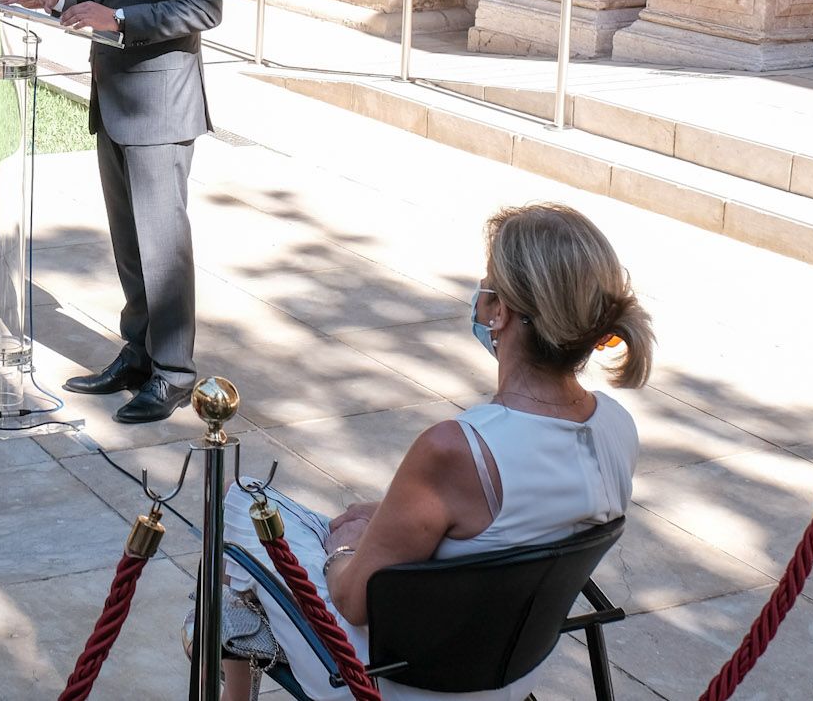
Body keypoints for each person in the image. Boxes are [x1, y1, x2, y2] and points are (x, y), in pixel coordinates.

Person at [218, 203, 654, 701]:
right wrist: (391, 517)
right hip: (513, 671)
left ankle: (230, 665)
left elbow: (351, 600)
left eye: (488, 286)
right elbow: (509, 523)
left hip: (393, 681)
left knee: (241, 498)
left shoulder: (458, 450)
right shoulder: (617, 427)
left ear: (498, 310)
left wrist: (348, 545)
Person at [1, 0, 223, 423]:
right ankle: (138, 353)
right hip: (116, 99)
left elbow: (203, 6)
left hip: (158, 105)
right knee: (130, 244)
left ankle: (175, 372)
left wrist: (120, 18)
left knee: (162, 246)